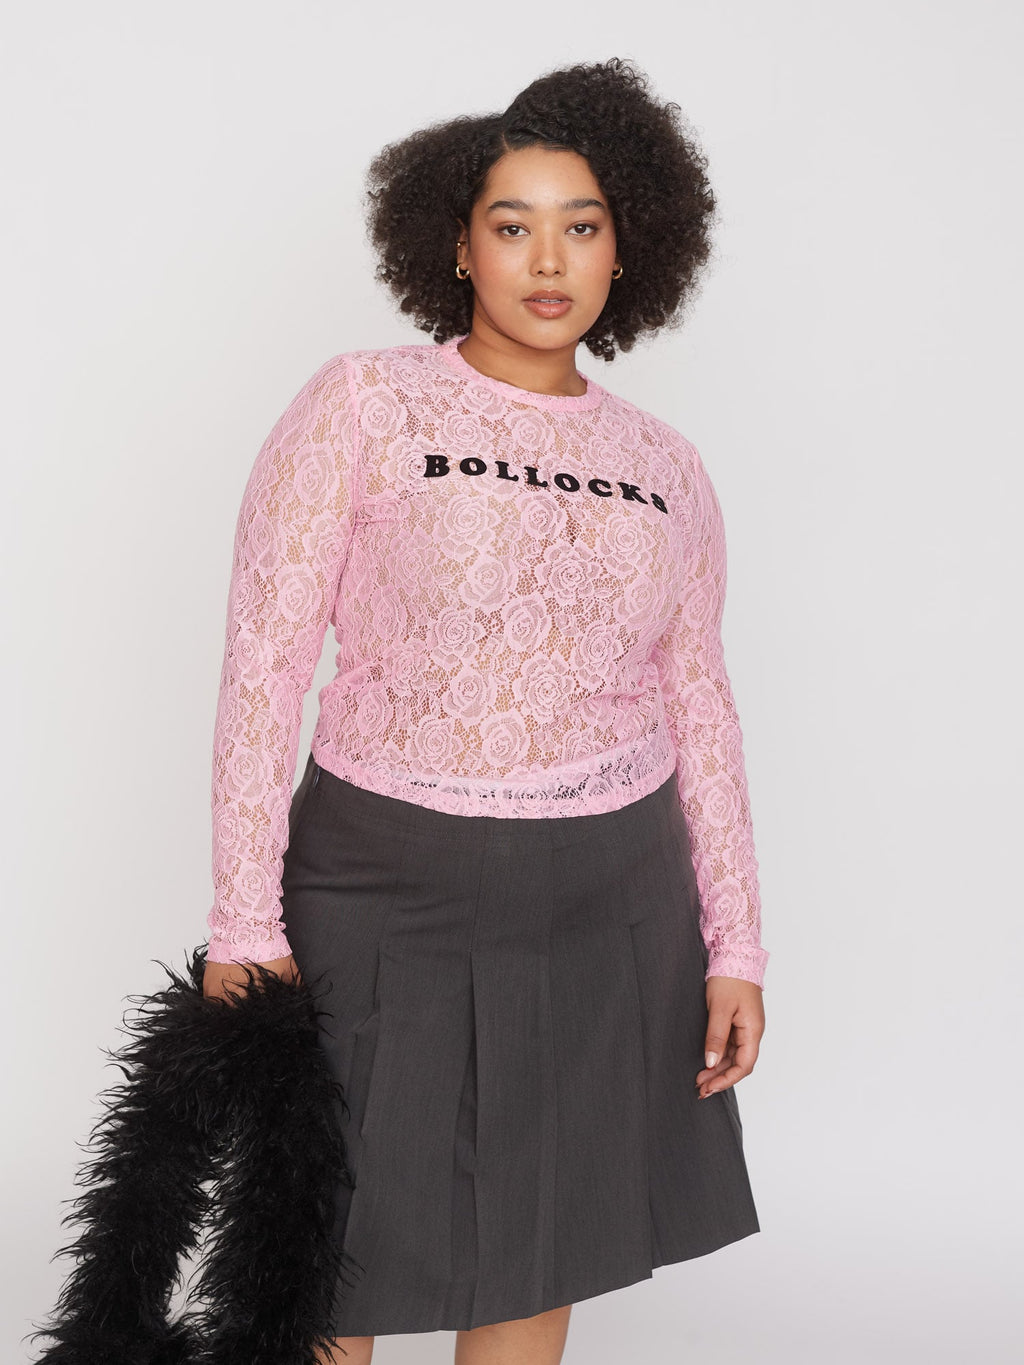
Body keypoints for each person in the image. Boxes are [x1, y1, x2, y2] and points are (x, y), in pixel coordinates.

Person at [202, 56, 769, 1365]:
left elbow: (701, 703)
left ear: (628, 248)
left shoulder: (667, 466)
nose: (548, 259)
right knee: (329, 1242)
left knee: (541, 1230)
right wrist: (241, 915)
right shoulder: (364, 403)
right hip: (382, 880)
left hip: (608, 893)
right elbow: (263, 663)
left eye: (583, 225)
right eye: (513, 225)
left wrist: (736, 939)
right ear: (457, 245)